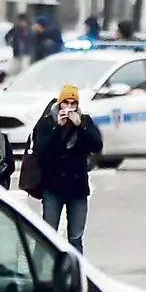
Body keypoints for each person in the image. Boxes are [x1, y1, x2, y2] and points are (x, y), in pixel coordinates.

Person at [33, 84, 103, 253]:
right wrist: (58, 128)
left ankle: (75, 274)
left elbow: (96, 145)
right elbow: (41, 152)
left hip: (77, 187)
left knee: (76, 237)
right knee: (48, 235)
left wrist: (81, 127)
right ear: (60, 103)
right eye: (66, 103)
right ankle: (43, 274)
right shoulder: (47, 122)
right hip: (53, 186)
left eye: (74, 104)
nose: (70, 108)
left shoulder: (84, 120)